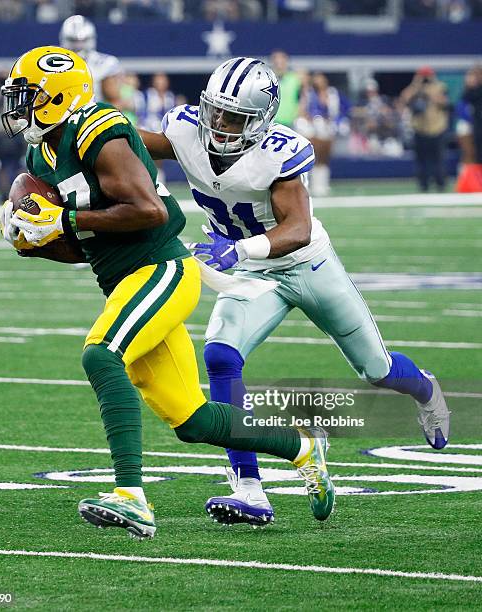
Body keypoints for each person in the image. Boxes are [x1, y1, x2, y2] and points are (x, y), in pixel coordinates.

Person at [0, 46, 335, 539]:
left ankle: (131, 496)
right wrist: (36, 242)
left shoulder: (99, 130)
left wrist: (64, 218)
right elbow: (86, 245)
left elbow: (149, 211)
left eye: (27, 96)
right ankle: (302, 446)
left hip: (162, 269)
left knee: (101, 356)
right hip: (124, 279)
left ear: (57, 96)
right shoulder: (40, 153)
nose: (19, 107)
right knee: (192, 420)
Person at [138, 56, 451, 528]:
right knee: (222, 356)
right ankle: (248, 488)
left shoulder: (278, 152)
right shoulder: (186, 129)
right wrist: (89, 131)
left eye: (234, 116)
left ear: (261, 121)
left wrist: (239, 250)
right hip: (252, 275)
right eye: (215, 111)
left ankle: (425, 389)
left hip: (304, 264)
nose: (219, 124)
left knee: (376, 367)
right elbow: (132, 145)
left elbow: (298, 229)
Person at [401, 66, 450, 192]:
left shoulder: (440, 87)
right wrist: (416, 84)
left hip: (437, 128)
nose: (425, 79)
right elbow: (404, 98)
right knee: (421, 160)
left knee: (438, 159)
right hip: (420, 128)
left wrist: (429, 90)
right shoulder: (415, 88)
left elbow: (444, 102)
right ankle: (423, 185)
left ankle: (440, 184)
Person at [59, 14, 123, 107]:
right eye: (73, 40)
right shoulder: (53, 62)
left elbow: (116, 101)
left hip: (93, 117)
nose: (78, 46)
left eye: (83, 41)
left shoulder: (105, 63)